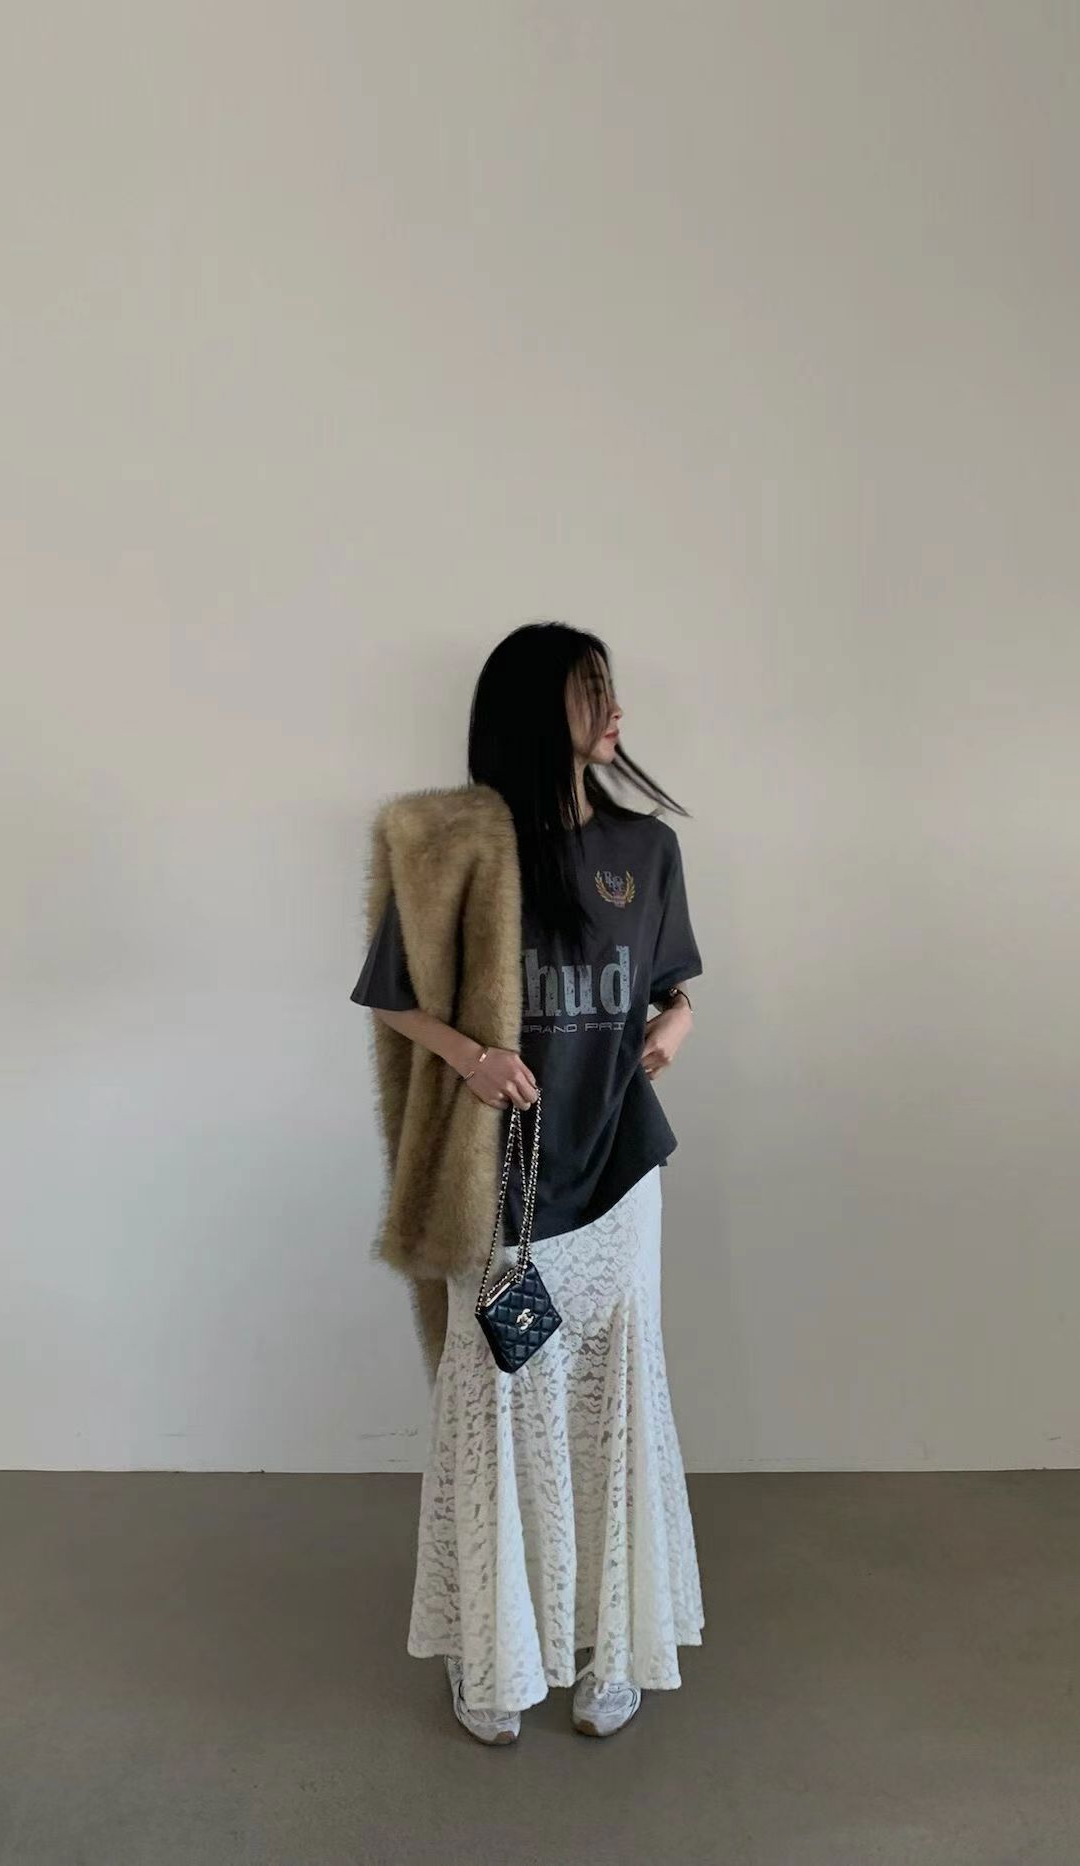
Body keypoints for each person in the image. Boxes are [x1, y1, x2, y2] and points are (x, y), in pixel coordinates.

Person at [350, 621, 704, 1743]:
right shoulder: (457, 850)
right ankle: (494, 1651)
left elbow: (673, 985)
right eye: (591, 691)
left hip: (619, 1167)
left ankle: (612, 1646)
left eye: (611, 689)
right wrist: (472, 1057)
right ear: (533, 711)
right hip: (499, 1180)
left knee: (615, 1402)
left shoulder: (646, 849)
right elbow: (391, 994)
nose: (615, 711)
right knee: (497, 1400)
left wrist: (678, 1024)